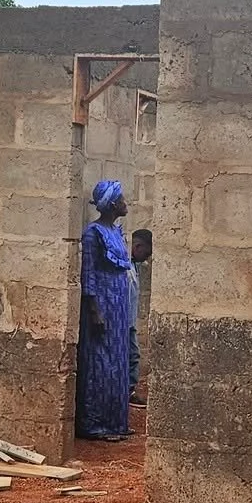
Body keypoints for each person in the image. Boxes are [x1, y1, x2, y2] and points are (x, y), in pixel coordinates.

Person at [77, 180, 135, 441]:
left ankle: (115, 422)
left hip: (119, 307)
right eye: (121, 199)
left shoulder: (117, 231)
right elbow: (88, 272)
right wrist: (94, 310)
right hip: (102, 306)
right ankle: (95, 423)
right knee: (100, 364)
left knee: (118, 363)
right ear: (112, 205)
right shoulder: (93, 233)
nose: (125, 203)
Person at [128, 228, 152, 403]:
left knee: (133, 355)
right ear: (137, 246)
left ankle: (129, 390)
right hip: (123, 320)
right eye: (146, 253)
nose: (146, 258)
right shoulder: (125, 265)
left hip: (129, 320)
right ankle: (127, 391)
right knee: (132, 355)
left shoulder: (133, 266)